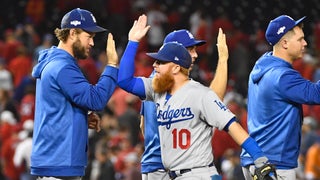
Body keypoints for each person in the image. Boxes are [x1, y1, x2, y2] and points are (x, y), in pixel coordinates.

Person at [118, 14, 273, 180]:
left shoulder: (199, 93)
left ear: (177, 67)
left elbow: (230, 123)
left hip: (197, 171)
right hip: (167, 169)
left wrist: (259, 158)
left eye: (160, 62)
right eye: (190, 49)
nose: (155, 65)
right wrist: (133, 41)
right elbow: (125, 81)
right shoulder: (156, 87)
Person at [30, 8, 119, 179]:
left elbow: (56, 109)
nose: (92, 43)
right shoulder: (62, 67)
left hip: (54, 161)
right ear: (72, 33)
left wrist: (80, 119)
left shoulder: (57, 63)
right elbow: (96, 100)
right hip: (59, 164)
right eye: (89, 36)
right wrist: (112, 64)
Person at [140, 28, 228, 180]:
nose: (195, 55)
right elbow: (216, 100)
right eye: (190, 49)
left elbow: (143, 125)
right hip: (167, 168)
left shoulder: (154, 79)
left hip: (153, 165)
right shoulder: (166, 82)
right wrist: (223, 60)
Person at [239, 15, 320, 180]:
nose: (305, 43)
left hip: (254, 159)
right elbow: (316, 94)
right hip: (274, 164)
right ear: (284, 43)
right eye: (300, 39)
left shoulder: (262, 64)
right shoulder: (282, 76)